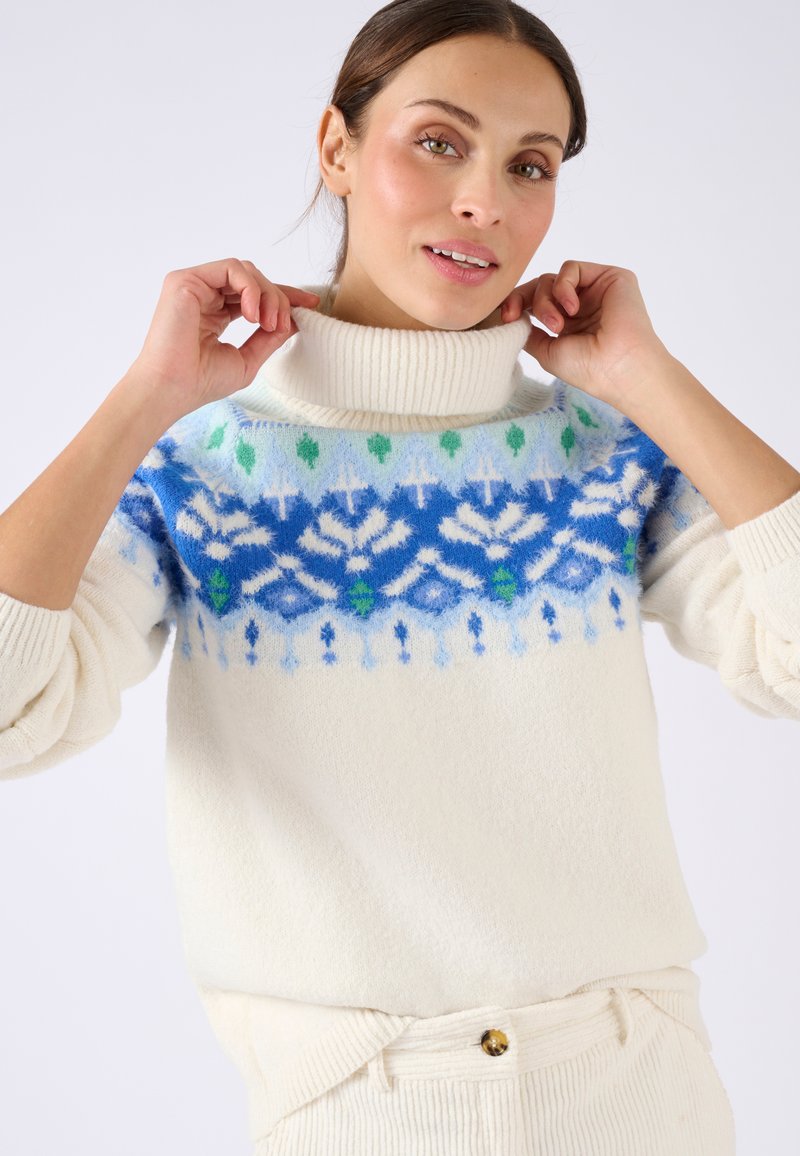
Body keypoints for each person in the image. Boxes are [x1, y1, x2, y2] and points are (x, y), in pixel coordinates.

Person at [1, 0, 798, 1152]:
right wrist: (142, 403)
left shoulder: (602, 451)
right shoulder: (202, 467)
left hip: (638, 1092)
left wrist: (650, 379)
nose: (484, 200)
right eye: (437, 141)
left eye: (529, 165)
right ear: (336, 146)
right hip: (362, 1107)